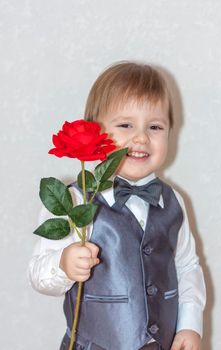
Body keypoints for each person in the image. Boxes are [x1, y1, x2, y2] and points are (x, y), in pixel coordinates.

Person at [28, 62, 206, 350]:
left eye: (155, 126)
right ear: (96, 131)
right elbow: (38, 275)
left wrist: (189, 325)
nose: (141, 138)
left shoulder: (173, 201)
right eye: (125, 125)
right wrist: (63, 265)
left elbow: (187, 266)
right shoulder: (73, 202)